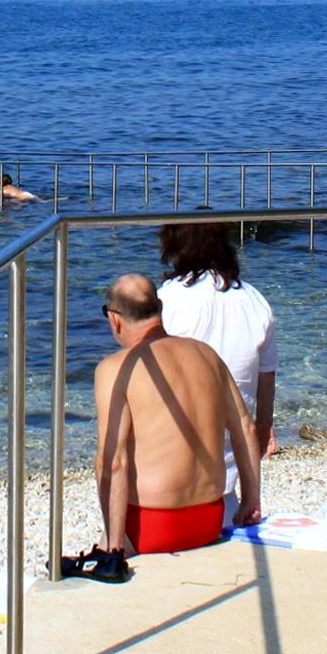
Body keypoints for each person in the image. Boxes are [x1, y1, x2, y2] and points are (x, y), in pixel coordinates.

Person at [87, 274, 261, 567]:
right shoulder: (206, 354)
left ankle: (112, 547)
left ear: (115, 319)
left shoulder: (116, 367)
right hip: (208, 520)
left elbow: (112, 462)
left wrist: (114, 548)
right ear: (160, 308)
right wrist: (251, 501)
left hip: (151, 527)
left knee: (100, 547)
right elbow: (246, 427)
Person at [157, 221, 278, 513]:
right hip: (235, 441)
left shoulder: (167, 297)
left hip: (177, 439)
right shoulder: (255, 299)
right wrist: (264, 425)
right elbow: (266, 375)